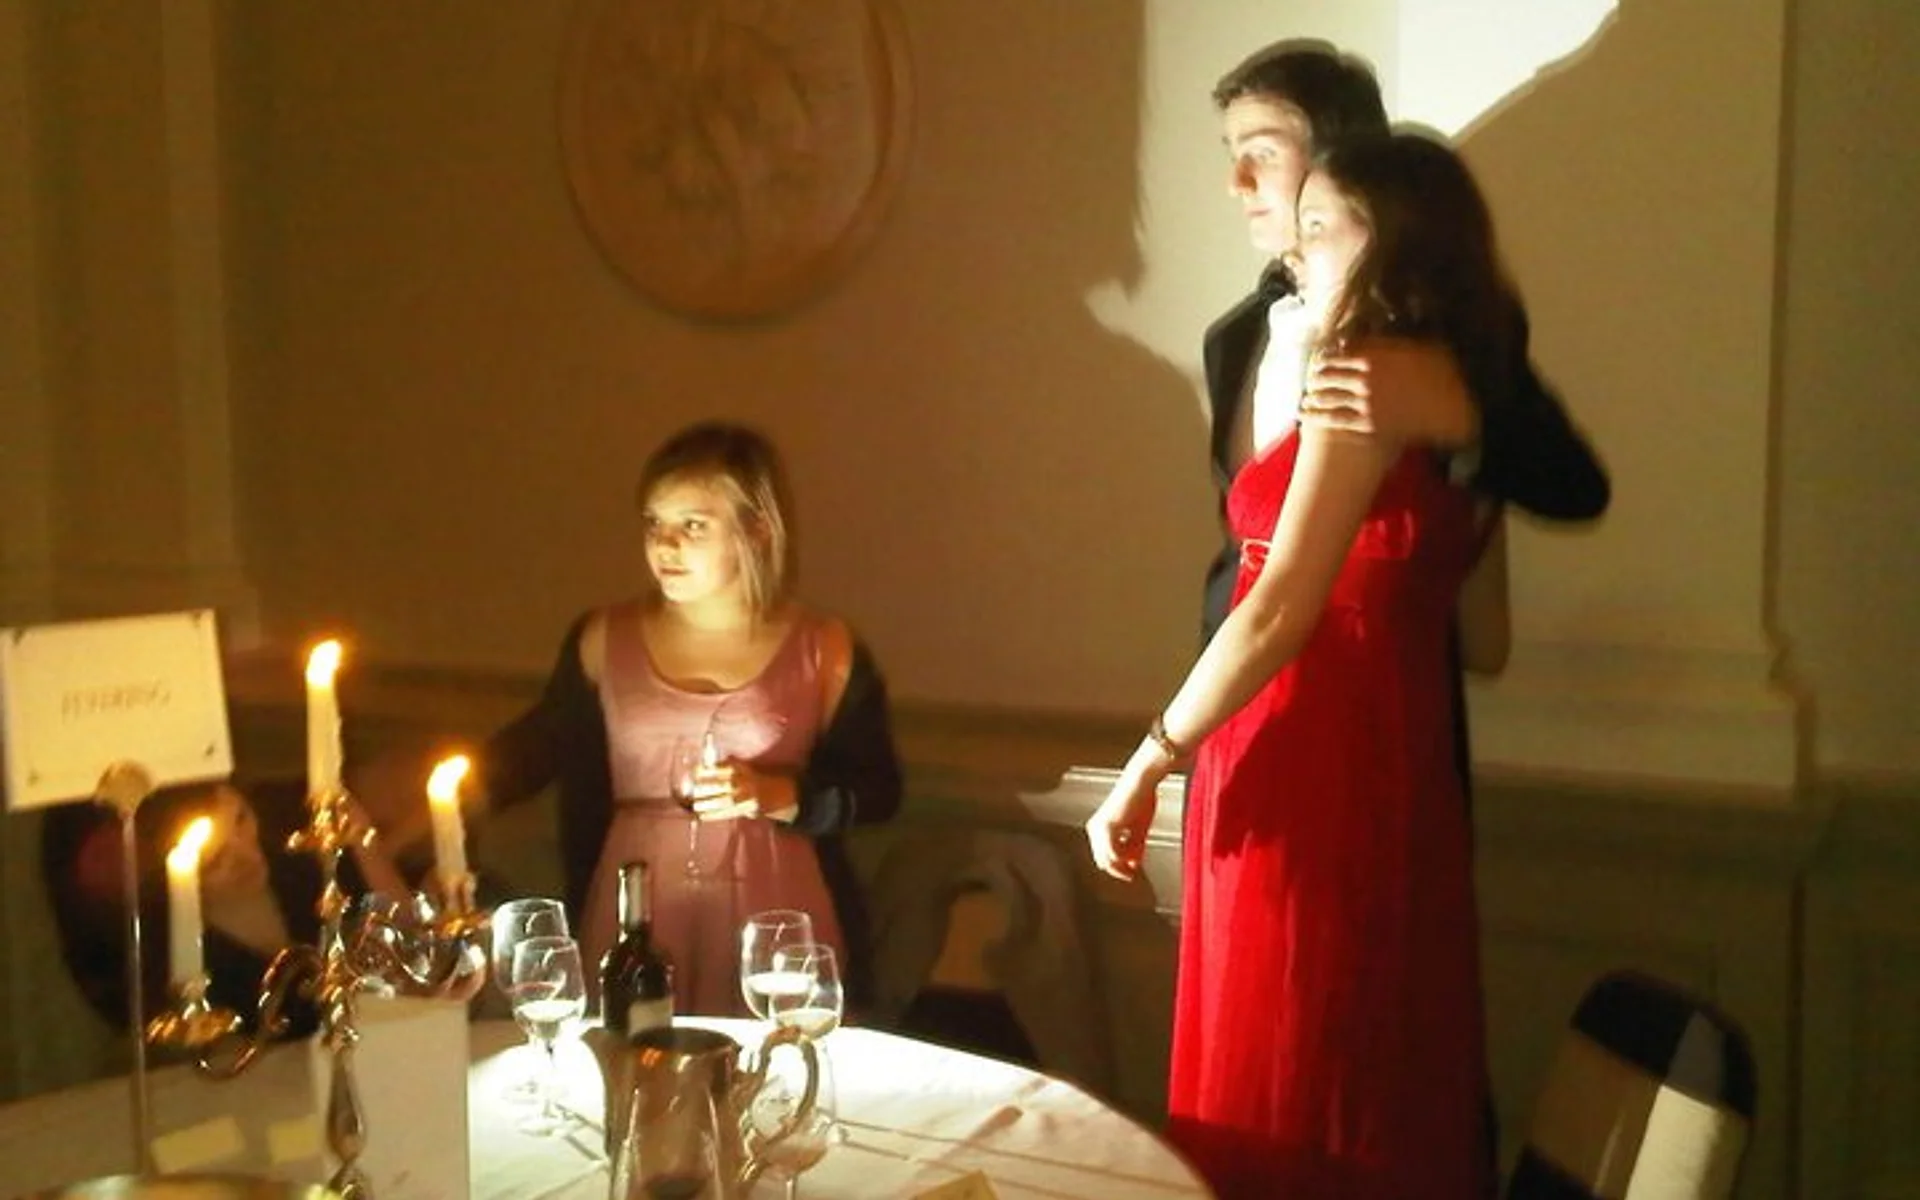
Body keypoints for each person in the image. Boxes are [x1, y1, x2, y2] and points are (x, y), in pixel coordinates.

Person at [1085, 130, 1530, 1197]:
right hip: (1403, 773)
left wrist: (1150, 758)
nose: (1298, 245)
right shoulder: (1473, 395)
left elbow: (1279, 605)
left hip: (1301, 760)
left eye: (1323, 224)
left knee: (1284, 1062)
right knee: (1375, 1065)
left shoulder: (1363, 375)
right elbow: (1487, 641)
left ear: (1394, 242)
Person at [1198, 41, 1609, 808]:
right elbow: (1241, 560)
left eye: (1261, 152)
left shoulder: (1443, 332)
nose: (1236, 182)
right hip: (1240, 730)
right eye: (1231, 153)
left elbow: (1575, 485)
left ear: (1338, 159)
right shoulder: (1232, 341)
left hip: (1384, 738)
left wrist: (1463, 420)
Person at [464, 420, 903, 1015]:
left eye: (693, 526)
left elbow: (877, 789)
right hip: (638, 896)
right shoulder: (603, 640)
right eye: (654, 524)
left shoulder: (825, 650)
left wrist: (780, 794)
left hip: (774, 903)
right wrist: (437, 805)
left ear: (756, 529)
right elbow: (539, 748)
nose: (665, 546)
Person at [41, 777, 406, 1040]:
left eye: (241, 820)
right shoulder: (171, 963)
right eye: (215, 860)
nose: (246, 856)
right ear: (173, 877)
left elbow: (411, 944)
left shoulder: (314, 846)